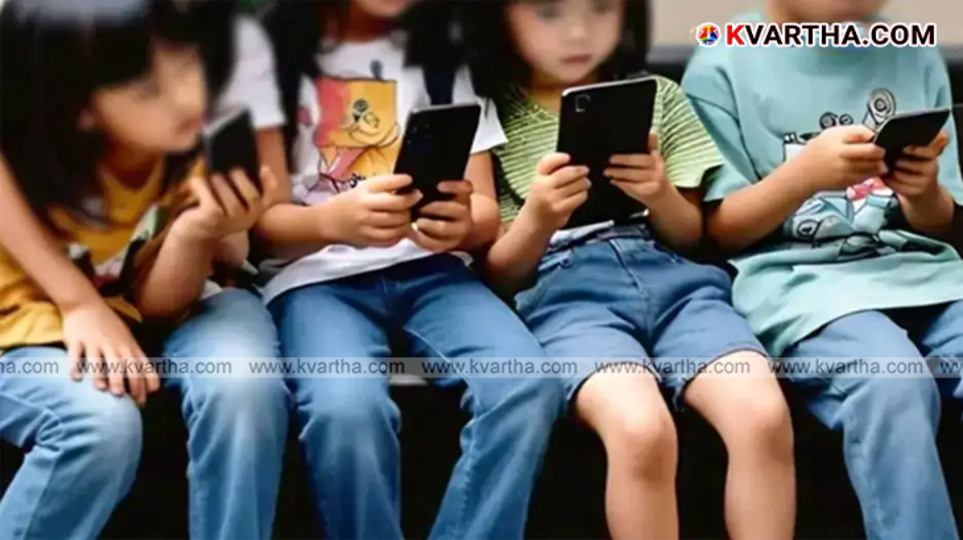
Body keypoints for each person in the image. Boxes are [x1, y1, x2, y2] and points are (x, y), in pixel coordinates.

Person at [219, 1, 563, 538]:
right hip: (313, 281)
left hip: (435, 272)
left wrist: (459, 224)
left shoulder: (443, 59)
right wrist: (332, 222)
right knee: (345, 409)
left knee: (525, 384)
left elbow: (484, 212)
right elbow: (259, 228)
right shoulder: (268, 60)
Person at [459, 1, 795, 538]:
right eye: (549, 13)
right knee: (641, 430)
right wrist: (539, 216)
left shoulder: (659, 97)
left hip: (679, 286)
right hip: (565, 297)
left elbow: (691, 235)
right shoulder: (488, 117)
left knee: (762, 415)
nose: (579, 31)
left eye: (600, 9)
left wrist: (659, 194)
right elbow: (500, 275)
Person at [0, 1, 290, 538]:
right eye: (148, 88)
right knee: (99, 423)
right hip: (22, 326)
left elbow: (158, 304)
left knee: (240, 385)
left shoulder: (183, 143)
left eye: (188, 68)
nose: (186, 98)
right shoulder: (37, 128)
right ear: (79, 105)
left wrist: (197, 231)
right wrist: (78, 301)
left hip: (143, 309)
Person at [683, 0, 963, 538]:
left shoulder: (914, 52)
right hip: (802, 287)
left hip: (924, 273)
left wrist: (923, 190)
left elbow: (942, 219)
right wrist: (804, 176)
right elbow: (717, 230)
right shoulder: (723, 61)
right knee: (892, 383)